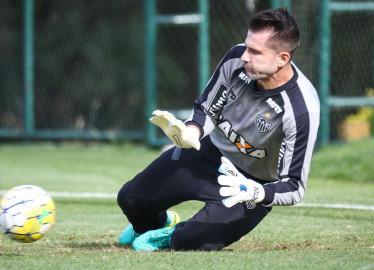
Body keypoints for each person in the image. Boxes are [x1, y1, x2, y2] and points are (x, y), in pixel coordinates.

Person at [117, 8, 320, 251]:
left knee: (188, 241)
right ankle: (159, 224)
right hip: (210, 153)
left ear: (283, 58)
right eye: (247, 47)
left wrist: (255, 192)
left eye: (255, 52)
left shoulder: (300, 110)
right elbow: (207, 108)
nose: (245, 56)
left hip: (249, 185)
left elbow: (294, 187)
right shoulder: (236, 59)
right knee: (131, 199)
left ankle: (172, 236)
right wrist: (191, 132)